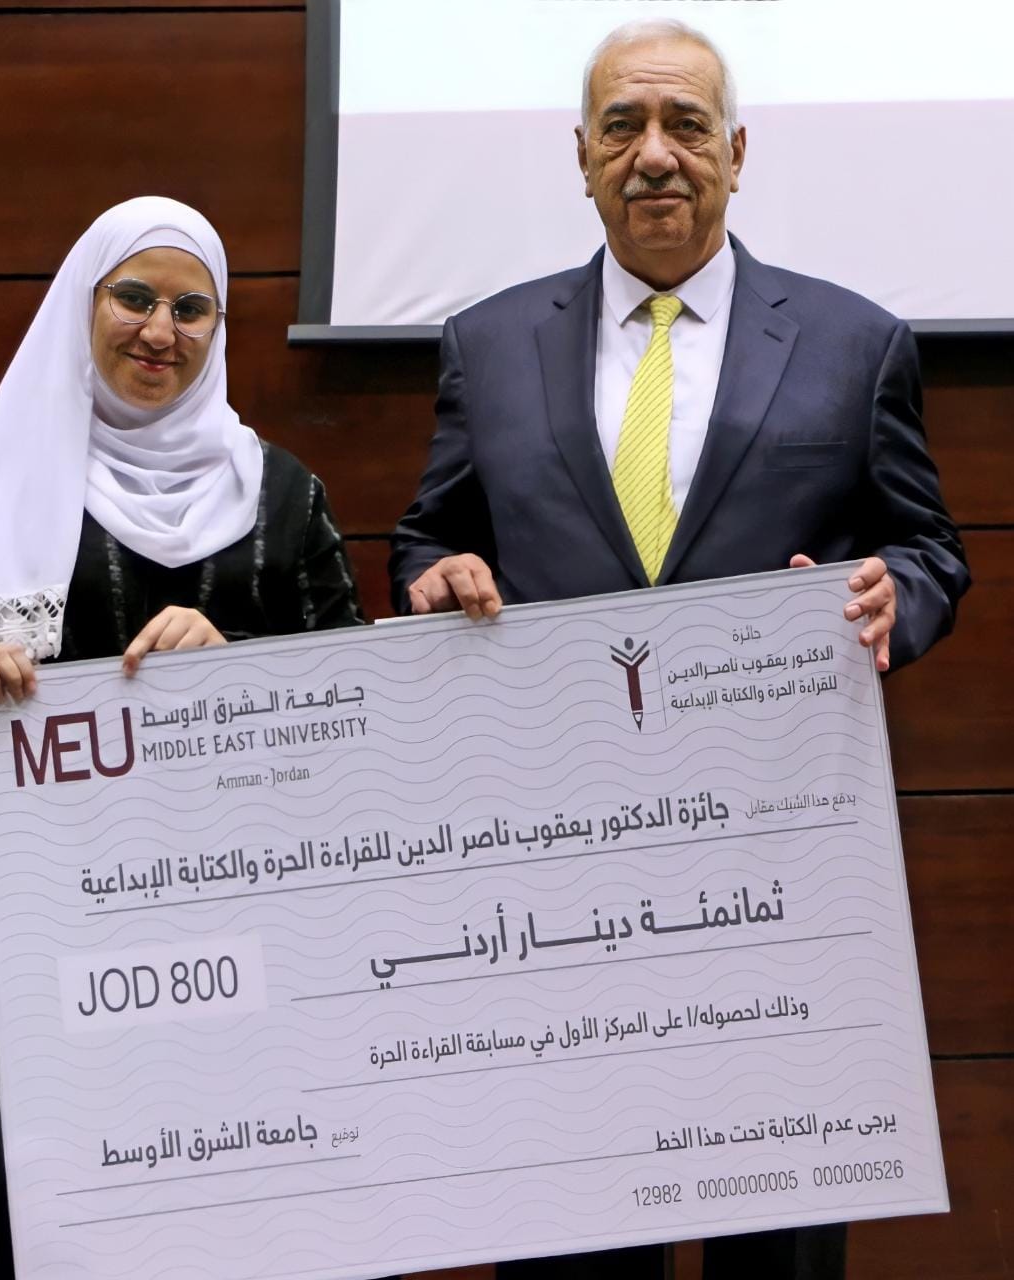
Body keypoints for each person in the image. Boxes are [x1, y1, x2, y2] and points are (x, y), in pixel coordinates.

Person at [390, 18, 968, 1280]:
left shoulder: (854, 341)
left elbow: (928, 548)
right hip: (554, 873)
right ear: (582, 156)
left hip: (779, 867)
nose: (654, 154)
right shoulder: (487, 343)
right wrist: (435, 580)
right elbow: (430, 536)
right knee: (572, 1226)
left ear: (737, 154)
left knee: (778, 1226)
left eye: (686, 126)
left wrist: (896, 598)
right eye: (623, 127)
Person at [0, 196, 365, 1279]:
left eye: (191, 309)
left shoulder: (279, 495)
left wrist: (236, 667)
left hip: (237, 903)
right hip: (30, 906)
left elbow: (356, 696)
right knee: (26, 1176)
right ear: (82, 307)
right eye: (134, 298)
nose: (160, 331)